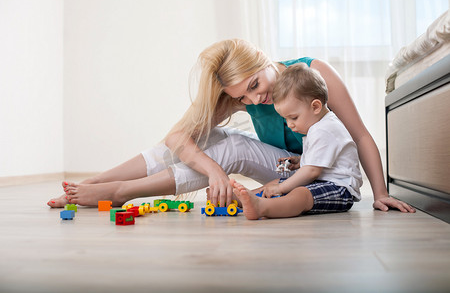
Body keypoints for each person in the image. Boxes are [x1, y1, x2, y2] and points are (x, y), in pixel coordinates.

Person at [47, 39, 414, 213]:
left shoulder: (311, 74)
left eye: (255, 85)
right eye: (242, 98)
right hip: (289, 167)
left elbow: (362, 135)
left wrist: (379, 193)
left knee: (232, 146)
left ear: (265, 62)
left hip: (318, 172)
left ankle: (124, 191)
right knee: (205, 137)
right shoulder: (240, 96)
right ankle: (94, 184)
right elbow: (175, 137)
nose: (255, 100)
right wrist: (212, 172)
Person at [231, 62, 362, 219]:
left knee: (300, 194)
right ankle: (243, 198)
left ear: (315, 106)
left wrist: (281, 188)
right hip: (323, 181)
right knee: (277, 181)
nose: (289, 124)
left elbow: (312, 171)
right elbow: (321, 158)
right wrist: (300, 161)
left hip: (340, 188)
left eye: (293, 117)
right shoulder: (318, 126)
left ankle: (262, 207)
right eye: (286, 118)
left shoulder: (325, 129)